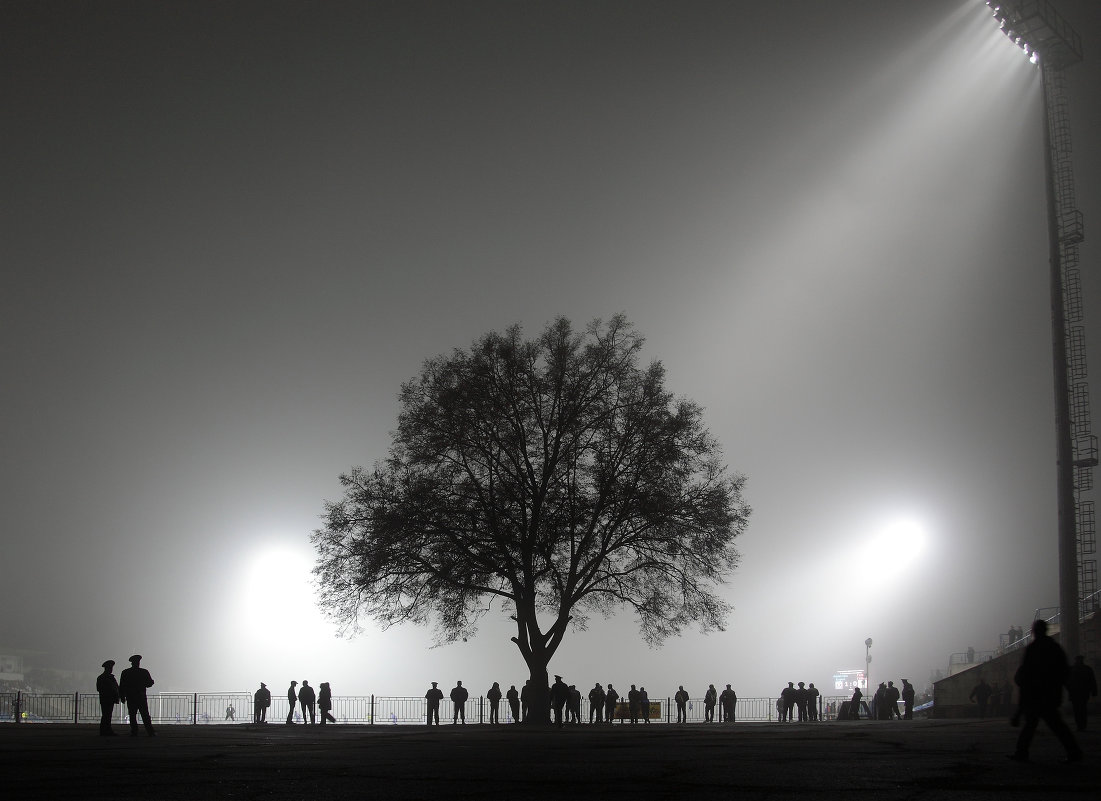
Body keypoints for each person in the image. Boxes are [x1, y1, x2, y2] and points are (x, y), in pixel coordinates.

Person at [1009, 619, 1082, 763]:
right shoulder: (1055, 648)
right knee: (1056, 725)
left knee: (1031, 725)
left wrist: (1019, 709)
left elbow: (1026, 676)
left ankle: (1021, 753)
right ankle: (1074, 752)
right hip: (1050, 695)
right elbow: (1064, 672)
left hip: (1035, 695)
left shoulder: (1033, 649)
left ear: (1034, 632)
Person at [118, 654, 155, 736]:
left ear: (131, 663)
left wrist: (122, 696)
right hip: (141, 696)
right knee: (145, 715)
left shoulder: (125, 672)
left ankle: (134, 731)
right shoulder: (144, 672)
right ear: (138, 662)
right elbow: (149, 683)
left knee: (132, 715)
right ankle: (150, 731)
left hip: (130, 697)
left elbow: (122, 686)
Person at [1066, 655, 1097, 732]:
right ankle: (1082, 725)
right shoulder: (1087, 669)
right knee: (1082, 709)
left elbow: (1067, 681)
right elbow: (1092, 681)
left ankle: (1080, 725)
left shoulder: (1072, 669)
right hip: (1083, 692)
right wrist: (1094, 691)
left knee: (1078, 709)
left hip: (1075, 692)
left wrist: (1069, 689)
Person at [96, 660, 120, 736]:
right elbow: (100, 688)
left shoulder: (105, 677)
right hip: (107, 698)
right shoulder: (103, 678)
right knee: (106, 715)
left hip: (108, 699)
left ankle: (106, 730)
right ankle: (105, 730)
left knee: (107, 715)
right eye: (110, 667)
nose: (111, 669)